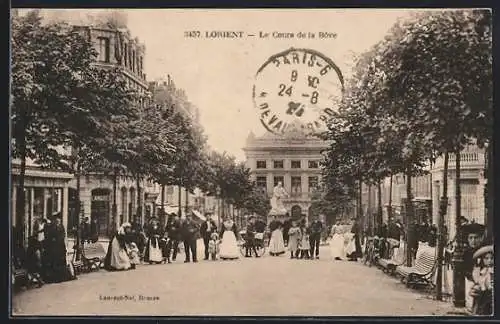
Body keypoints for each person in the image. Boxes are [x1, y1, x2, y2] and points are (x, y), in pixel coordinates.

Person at [43, 214, 73, 283]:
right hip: (55, 248)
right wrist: (54, 240)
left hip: (61, 247)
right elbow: (50, 236)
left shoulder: (61, 226)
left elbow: (63, 235)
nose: (57, 221)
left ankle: (62, 276)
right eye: (56, 220)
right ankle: (56, 277)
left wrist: (60, 240)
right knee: (55, 262)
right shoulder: (52, 227)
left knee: (61, 262)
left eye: (58, 220)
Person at [470, 245, 493, 315]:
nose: (489, 260)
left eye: (492, 258)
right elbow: (477, 284)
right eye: (486, 258)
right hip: (483, 297)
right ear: (482, 259)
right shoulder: (481, 271)